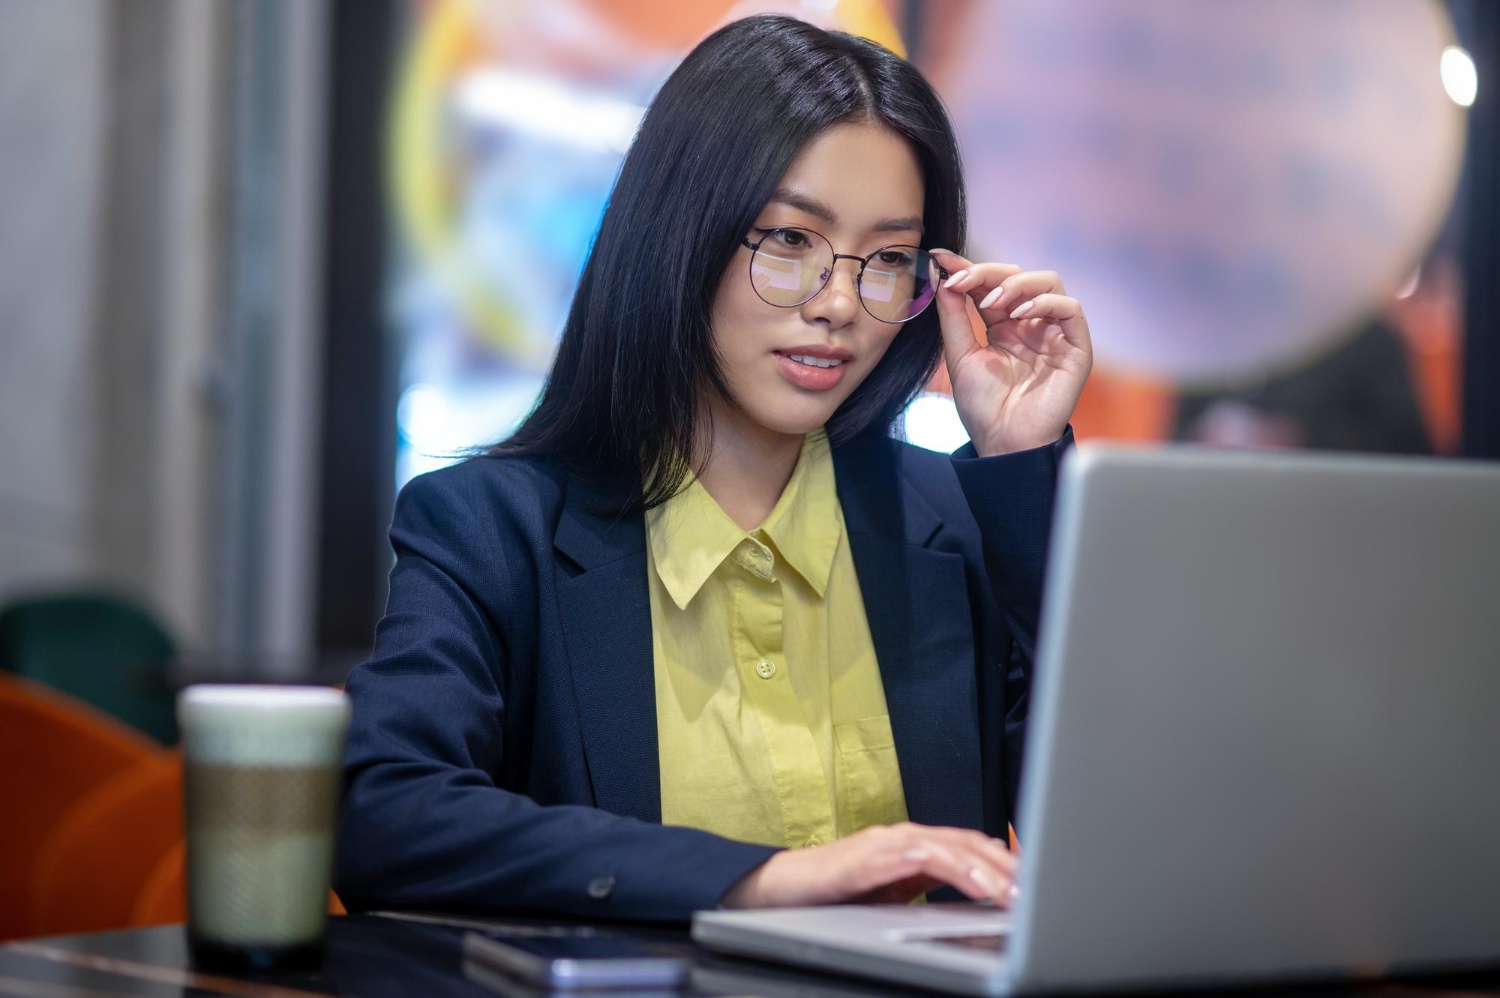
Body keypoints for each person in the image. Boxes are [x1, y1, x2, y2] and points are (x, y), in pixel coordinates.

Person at [335, 14, 1092, 922]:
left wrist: (1023, 463)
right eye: (788, 241)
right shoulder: (491, 527)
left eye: (889, 259)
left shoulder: (958, 521)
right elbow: (382, 817)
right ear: (683, 231)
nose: (841, 304)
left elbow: (1118, 824)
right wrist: (760, 880)